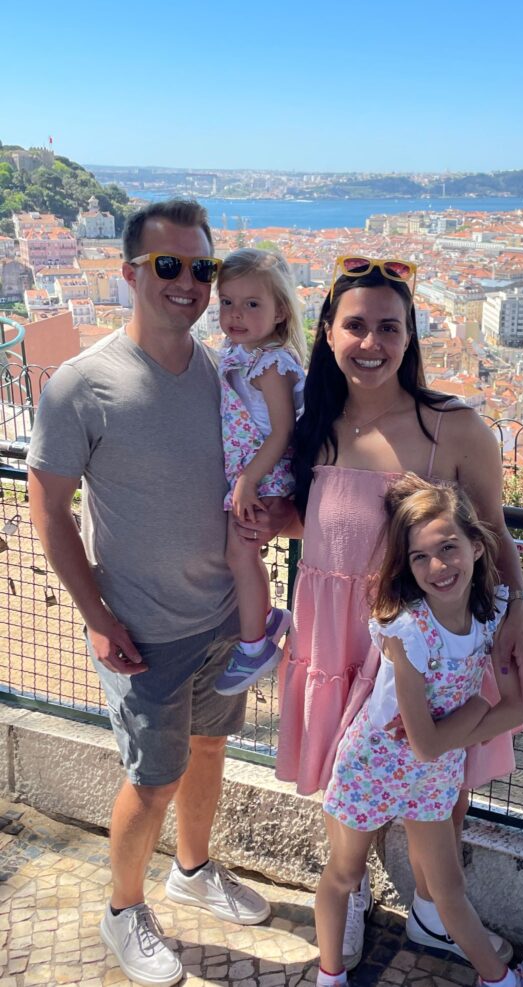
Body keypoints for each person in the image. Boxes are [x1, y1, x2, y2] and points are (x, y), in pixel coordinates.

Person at [26, 200, 283, 987]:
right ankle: (121, 909)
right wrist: (97, 618)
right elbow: (48, 509)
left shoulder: (223, 369)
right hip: (141, 629)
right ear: (130, 272)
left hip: (219, 619)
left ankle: (194, 869)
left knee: (209, 749)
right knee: (152, 776)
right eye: (168, 266)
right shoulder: (83, 383)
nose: (189, 283)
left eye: (201, 268)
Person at [270, 256, 523, 969]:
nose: (372, 341)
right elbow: (328, 525)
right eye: (355, 324)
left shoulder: (452, 425)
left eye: (390, 326)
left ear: (411, 335)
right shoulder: (314, 425)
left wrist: (516, 617)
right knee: (348, 780)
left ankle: (430, 908)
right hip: (337, 633)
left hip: (427, 640)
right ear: (327, 332)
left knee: (442, 774)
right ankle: (350, 895)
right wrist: (271, 517)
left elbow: (494, 531)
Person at [315, 474, 523, 987]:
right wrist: (477, 707)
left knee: (449, 889)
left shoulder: (494, 613)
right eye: (420, 557)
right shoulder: (408, 632)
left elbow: (516, 710)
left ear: (478, 547)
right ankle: (330, 975)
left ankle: (499, 981)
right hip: (375, 764)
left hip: (434, 771)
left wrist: (466, 721)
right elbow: (429, 740)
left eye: (449, 548)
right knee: (342, 874)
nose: (437, 566)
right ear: (407, 566)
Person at [213, 248, 306, 696]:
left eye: (252, 304)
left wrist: (248, 480)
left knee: (240, 555)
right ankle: (267, 618)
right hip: (250, 475)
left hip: (264, 479)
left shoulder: (271, 363)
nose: (236, 314)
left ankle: (256, 647)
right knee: (240, 555)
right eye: (227, 302)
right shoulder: (239, 353)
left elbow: (283, 432)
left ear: (280, 310)